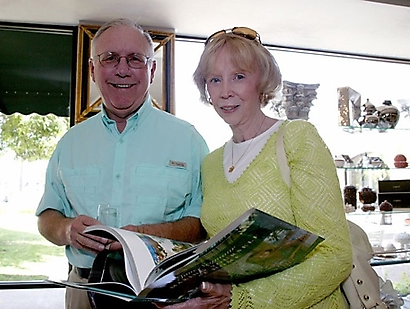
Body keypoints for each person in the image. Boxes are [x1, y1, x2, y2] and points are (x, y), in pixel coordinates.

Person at [156, 27, 353, 308]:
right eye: (215, 79)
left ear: (261, 81)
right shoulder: (211, 163)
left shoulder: (297, 138)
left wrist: (241, 299)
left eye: (239, 77)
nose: (225, 92)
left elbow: (335, 255)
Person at [36, 18, 209, 309]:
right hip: (84, 290)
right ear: (93, 69)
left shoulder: (188, 141)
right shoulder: (70, 143)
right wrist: (67, 230)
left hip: (162, 293)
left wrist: (145, 237)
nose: (122, 69)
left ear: (152, 70)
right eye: (110, 58)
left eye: (135, 59)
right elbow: (46, 217)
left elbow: (201, 225)